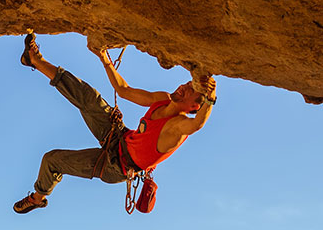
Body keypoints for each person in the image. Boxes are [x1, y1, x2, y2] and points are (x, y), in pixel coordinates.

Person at [12, 33, 216, 214]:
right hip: (119, 137)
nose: (183, 87)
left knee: (52, 160)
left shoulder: (177, 127)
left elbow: (197, 125)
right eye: (187, 84)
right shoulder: (163, 99)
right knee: (88, 97)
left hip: (116, 166)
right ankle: (34, 60)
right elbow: (123, 90)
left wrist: (210, 99)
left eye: (190, 91)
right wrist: (103, 57)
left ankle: (37, 199)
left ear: (193, 107)